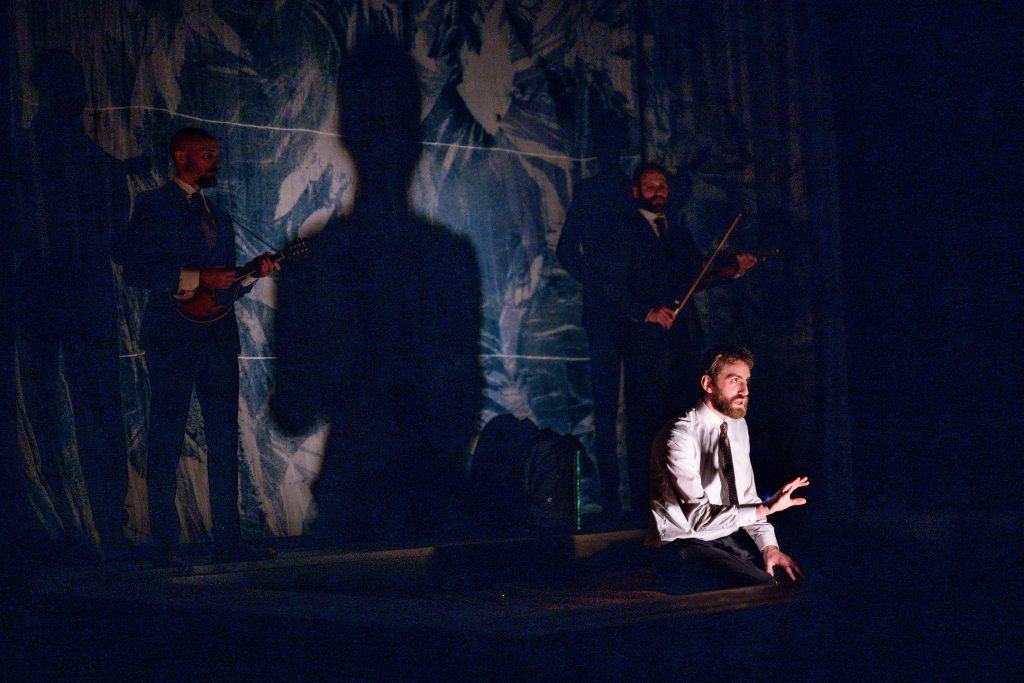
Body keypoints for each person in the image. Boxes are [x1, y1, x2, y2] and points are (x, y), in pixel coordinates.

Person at [272, 42, 482, 545]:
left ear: (347, 131)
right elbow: (462, 403)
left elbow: (293, 409)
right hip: (425, 507)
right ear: (417, 136)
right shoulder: (447, 258)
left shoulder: (316, 259)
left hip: (361, 504)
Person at [123, 127, 278, 566]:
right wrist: (195, 277)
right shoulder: (153, 204)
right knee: (167, 436)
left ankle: (228, 539)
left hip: (218, 338)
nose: (215, 160)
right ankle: (165, 543)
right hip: (172, 337)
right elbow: (136, 269)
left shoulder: (219, 215)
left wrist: (250, 275)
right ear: (181, 156)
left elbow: (224, 289)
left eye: (216, 154)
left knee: (224, 439)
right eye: (207, 153)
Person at [588, 161, 758, 524]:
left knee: (683, 421)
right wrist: (646, 313)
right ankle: (644, 508)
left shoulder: (678, 233)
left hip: (684, 342)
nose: (658, 192)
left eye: (662, 186)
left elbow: (698, 274)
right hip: (645, 344)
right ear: (636, 192)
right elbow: (609, 286)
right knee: (646, 424)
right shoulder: (622, 231)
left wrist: (733, 268)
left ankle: (682, 504)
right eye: (650, 186)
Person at [12, 49, 131, 562]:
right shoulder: (29, 159)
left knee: (86, 409)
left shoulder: (93, 164)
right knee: (61, 410)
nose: (77, 100)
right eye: (69, 89)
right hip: (52, 292)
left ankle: (96, 529)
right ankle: (76, 528)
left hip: (67, 293)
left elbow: (120, 240)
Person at [647, 344, 807, 592]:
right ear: (708, 384)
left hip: (725, 537)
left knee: (797, 576)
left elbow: (747, 499)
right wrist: (766, 508)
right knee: (762, 588)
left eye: (746, 381)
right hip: (682, 543)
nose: (745, 390)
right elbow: (699, 518)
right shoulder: (678, 436)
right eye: (734, 380)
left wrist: (769, 547)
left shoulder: (737, 426)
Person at [556, 104, 635, 525]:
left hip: (635, 313)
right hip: (607, 312)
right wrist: (600, 282)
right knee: (607, 409)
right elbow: (566, 249)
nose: (611, 149)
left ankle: (635, 498)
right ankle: (615, 502)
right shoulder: (593, 192)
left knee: (634, 407)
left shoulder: (633, 190)